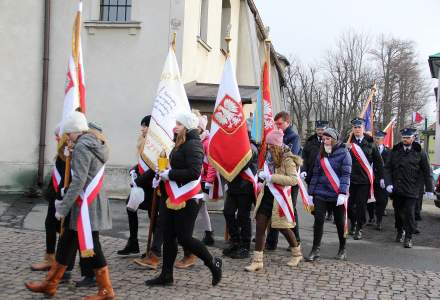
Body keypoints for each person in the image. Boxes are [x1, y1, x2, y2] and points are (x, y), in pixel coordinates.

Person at [25, 111, 114, 298]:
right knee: (67, 242)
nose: (67, 137)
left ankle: (105, 290)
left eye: (68, 133)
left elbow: (79, 180)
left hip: (85, 206)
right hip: (88, 202)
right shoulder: (93, 143)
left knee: (92, 245)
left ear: (74, 131)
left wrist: (63, 207)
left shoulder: (83, 146)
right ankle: (50, 284)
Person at [145, 111, 222, 287]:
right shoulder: (180, 142)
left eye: (179, 124)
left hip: (188, 198)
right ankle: (166, 276)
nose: (175, 126)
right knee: (168, 237)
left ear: (186, 126)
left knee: (185, 238)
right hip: (171, 197)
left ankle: (213, 263)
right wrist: (162, 174)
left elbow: (195, 173)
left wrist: (169, 174)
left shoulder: (193, 144)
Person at [245, 129, 303, 272]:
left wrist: (272, 178)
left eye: (271, 145)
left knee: (283, 227)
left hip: (280, 199)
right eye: (268, 145)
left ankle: (296, 253)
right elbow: (265, 173)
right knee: (260, 226)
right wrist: (261, 179)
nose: (269, 148)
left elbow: (294, 180)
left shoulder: (288, 159)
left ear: (277, 145)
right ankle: (257, 260)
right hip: (266, 196)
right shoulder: (269, 156)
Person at [117, 115, 164, 271]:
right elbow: (143, 164)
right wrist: (135, 169)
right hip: (143, 184)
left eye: (144, 126)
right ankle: (133, 242)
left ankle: (156, 248)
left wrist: (138, 181)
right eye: (142, 126)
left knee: (153, 216)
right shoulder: (142, 142)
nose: (142, 128)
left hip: (151, 186)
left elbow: (154, 168)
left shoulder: (155, 145)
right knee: (130, 206)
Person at [174, 112, 217, 269]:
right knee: (197, 213)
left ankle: (208, 235)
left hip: (199, 183)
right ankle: (206, 234)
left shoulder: (203, 143)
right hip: (190, 185)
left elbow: (210, 163)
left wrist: (209, 181)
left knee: (200, 211)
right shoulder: (191, 141)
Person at [305, 128, 352, 261]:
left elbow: (346, 174)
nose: (325, 141)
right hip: (320, 192)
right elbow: (315, 174)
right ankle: (315, 249)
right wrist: (310, 193)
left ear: (334, 140)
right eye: (324, 139)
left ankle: (342, 249)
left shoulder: (344, 153)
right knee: (318, 220)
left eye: (328, 139)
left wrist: (343, 192)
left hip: (337, 194)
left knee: (339, 222)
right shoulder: (321, 153)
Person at [384, 128, 434, 248]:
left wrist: (429, 188)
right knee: (398, 213)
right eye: (404, 137)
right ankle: (400, 231)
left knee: (409, 213)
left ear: (413, 138)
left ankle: (408, 237)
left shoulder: (420, 152)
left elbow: (427, 171)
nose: (405, 140)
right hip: (397, 188)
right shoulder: (395, 151)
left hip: (412, 189)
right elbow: (387, 168)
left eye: (408, 137)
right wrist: (388, 183)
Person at [265, 111, 301, 251]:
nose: (277, 126)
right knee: (274, 209)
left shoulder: (294, 137)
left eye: (280, 123)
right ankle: (271, 241)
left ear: (288, 122)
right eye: (276, 124)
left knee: (289, 209)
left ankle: (296, 240)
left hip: (289, 178)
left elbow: (292, 156)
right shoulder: (276, 135)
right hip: (276, 177)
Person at [222, 118, 258, 259]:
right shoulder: (236, 146)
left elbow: (241, 164)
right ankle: (235, 241)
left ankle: (245, 246)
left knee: (243, 217)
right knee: (228, 212)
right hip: (233, 186)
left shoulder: (251, 148)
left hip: (245, 187)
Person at [347, 118, 384, 240]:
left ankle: (359, 228)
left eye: (359, 127)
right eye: (355, 127)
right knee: (349, 205)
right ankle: (353, 222)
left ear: (363, 129)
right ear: (352, 129)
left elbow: (379, 163)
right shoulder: (347, 142)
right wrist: (344, 148)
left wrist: (381, 178)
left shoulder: (371, 143)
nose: (357, 129)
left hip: (364, 181)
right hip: (350, 180)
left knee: (361, 205)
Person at [302, 120, 332, 221]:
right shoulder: (310, 141)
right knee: (313, 196)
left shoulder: (330, 140)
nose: (320, 131)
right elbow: (304, 157)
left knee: (326, 195)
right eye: (318, 129)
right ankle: (317, 216)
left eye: (322, 129)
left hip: (325, 174)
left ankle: (328, 212)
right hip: (311, 173)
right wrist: (303, 169)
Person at [368, 130, 391, 231]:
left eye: (379, 138)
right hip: (370, 179)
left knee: (382, 201)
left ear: (383, 139)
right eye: (376, 138)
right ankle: (371, 217)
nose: (377, 140)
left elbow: (389, 167)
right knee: (369, 200)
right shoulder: (369, 149)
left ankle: (379, 221)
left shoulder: (388, 152)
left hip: (382, 181)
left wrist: (386, 179)